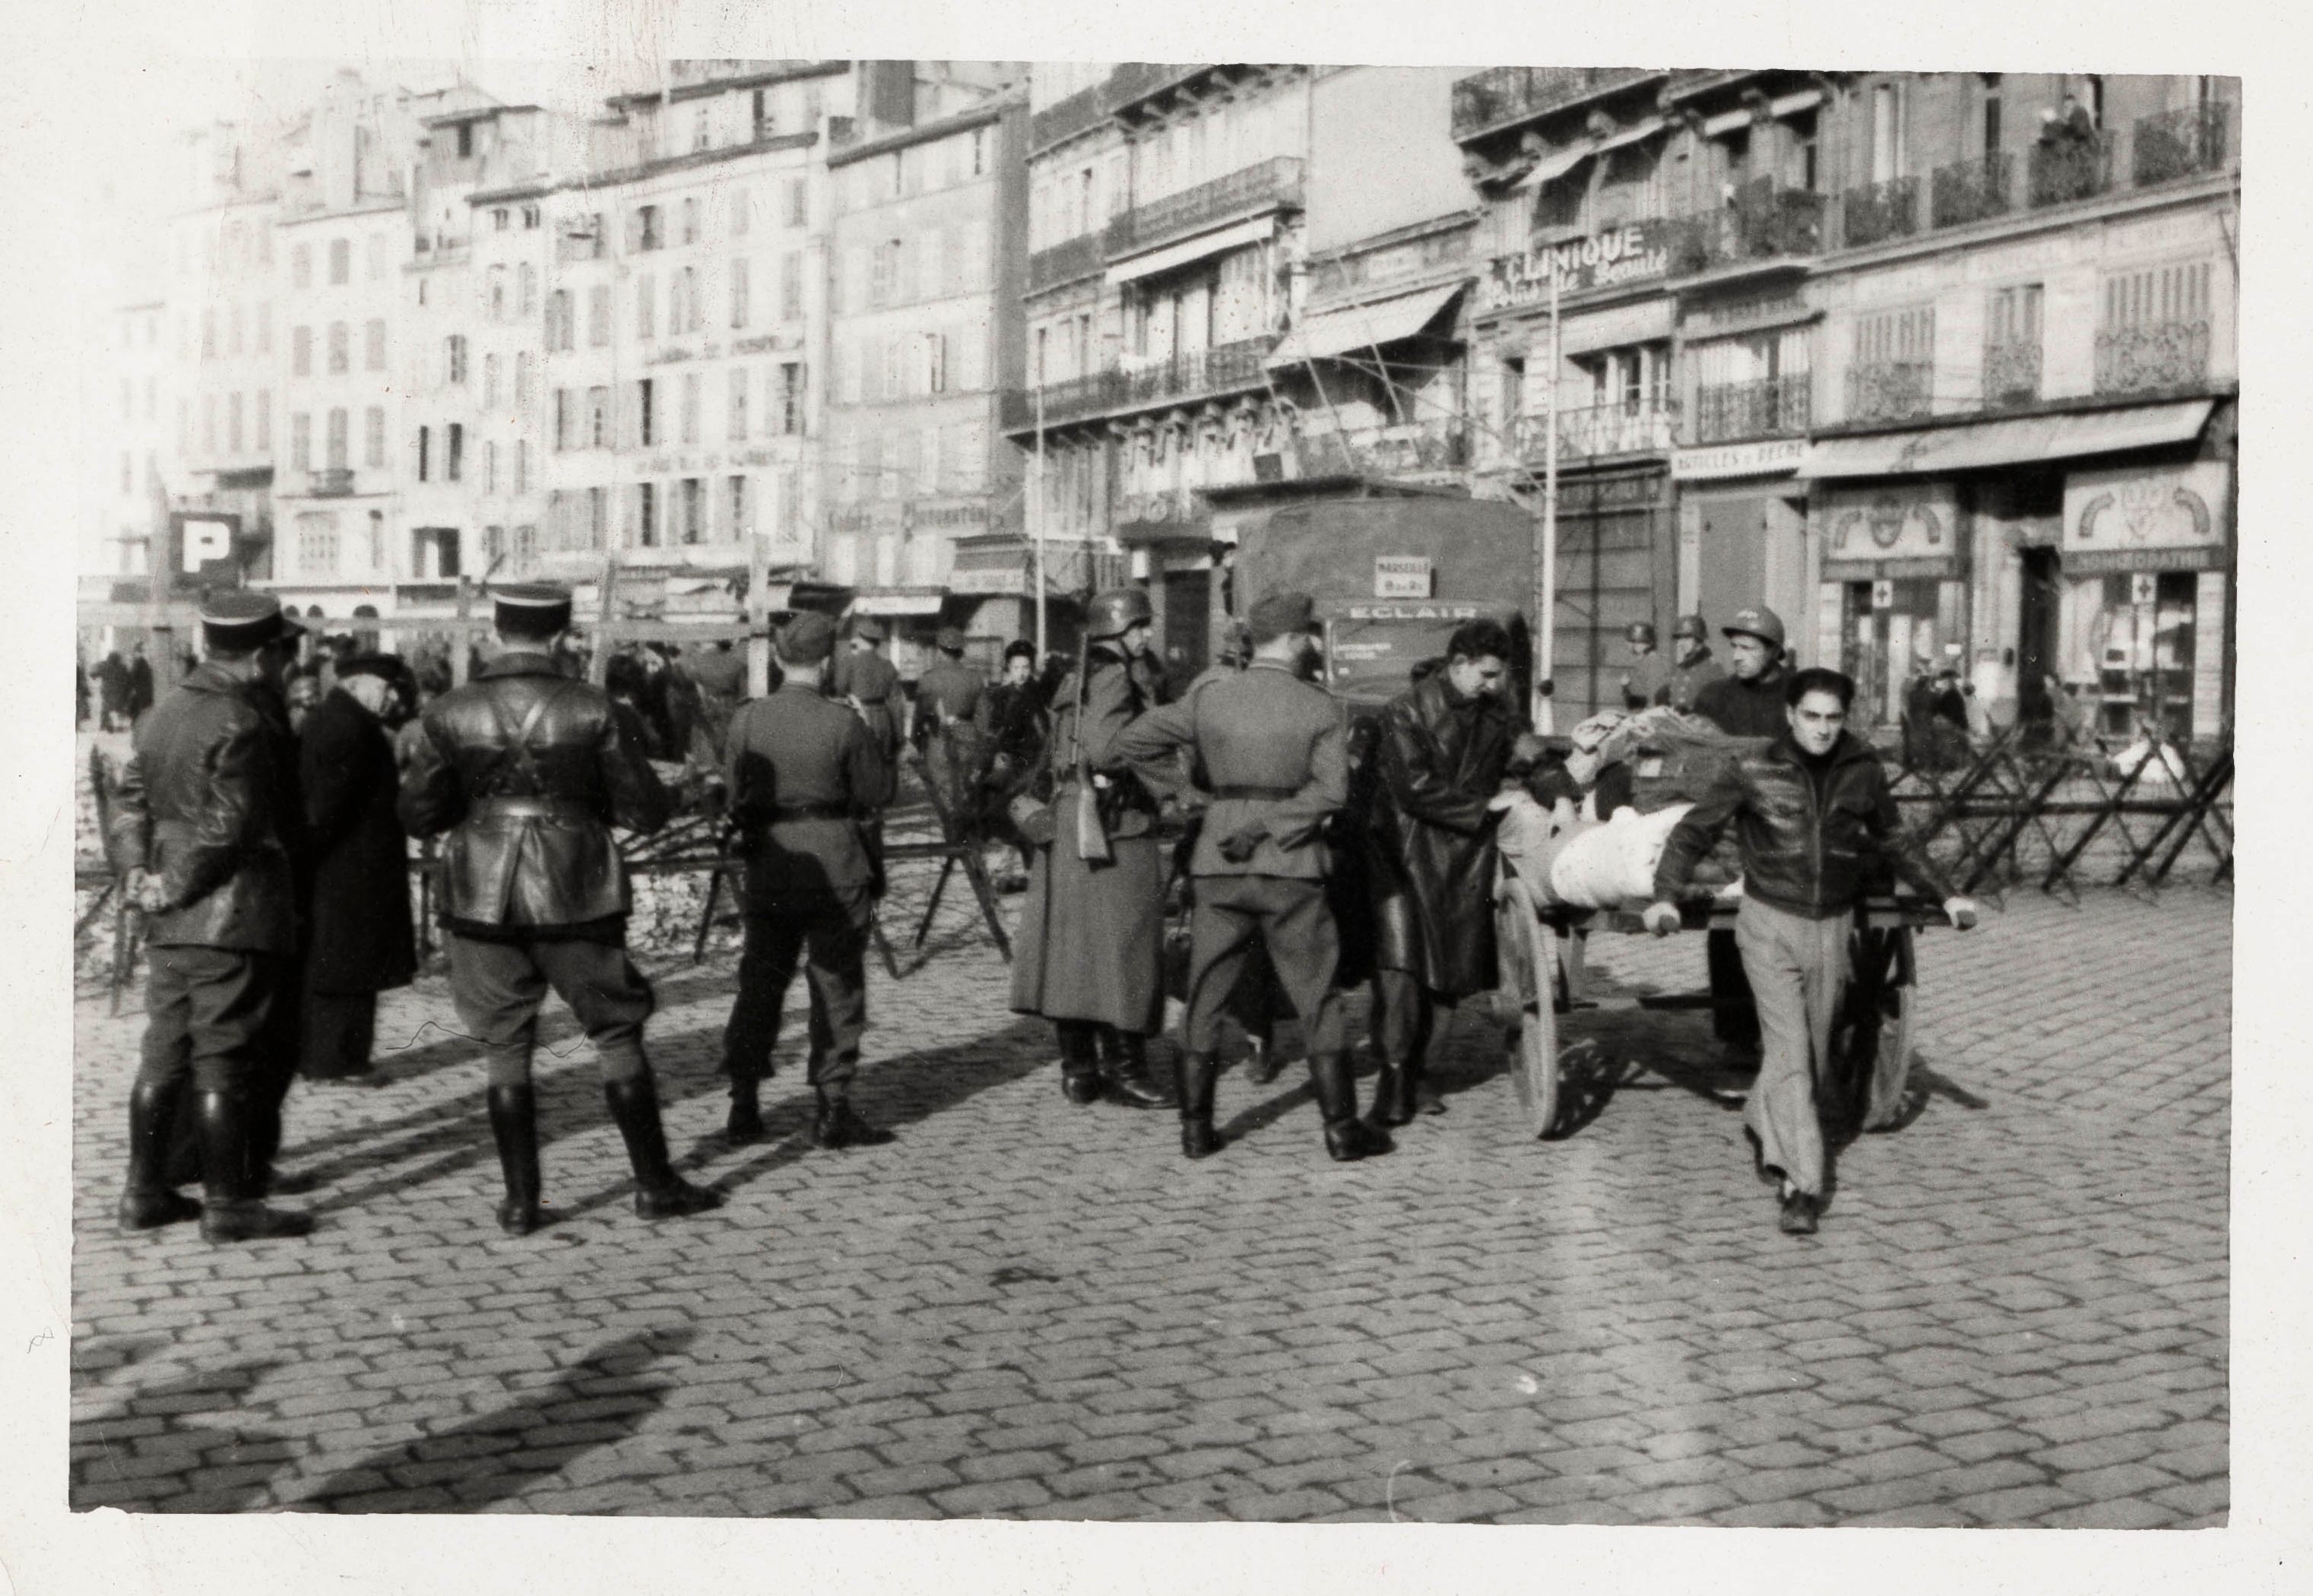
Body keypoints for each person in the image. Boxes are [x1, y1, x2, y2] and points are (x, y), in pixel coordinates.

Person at [398, 582, 720, 1233]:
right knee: (615, 1030)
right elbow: (643, 809)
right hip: (577, 885)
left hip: (479, 892)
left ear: (496, 628)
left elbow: (418, 812)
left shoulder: (450, 711)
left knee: (504, 1044)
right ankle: (655, 1185)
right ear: (561, 633)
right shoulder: (595, 707)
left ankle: (520, 1203)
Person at [1643, 667, 1979, 1235]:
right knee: (1792, 1050)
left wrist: (1947, 896)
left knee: (1814, 1057)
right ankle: (1801, 1185)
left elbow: (1894, 838)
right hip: (1768, 920)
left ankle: (1760, 1116)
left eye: (1833, 718)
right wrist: (1664, 896)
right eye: (1811, 717)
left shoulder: (1863, 771)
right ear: (1790, 716)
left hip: (1831, 926)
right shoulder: (1751, 768)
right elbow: (1692, 833)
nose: (1822, 730)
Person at [1116, 592, 1386, 1163]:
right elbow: (1331, 793)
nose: (1313, 644)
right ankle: (1340, 1130)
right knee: (1318, 994)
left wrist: (1187, 795)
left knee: (1206, 995)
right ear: (1291, 640)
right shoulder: (1318, 706)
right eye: (1308, 636)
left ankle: (1195, 1129)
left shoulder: (1211, 697)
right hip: (1291, 868)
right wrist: (1272, 823)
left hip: (1218, 861)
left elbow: (1130, 742)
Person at [106, 593, 314, 1243]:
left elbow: (128, 805)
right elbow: (230, 828)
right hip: (230, 911)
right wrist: (179, 885)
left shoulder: (161, 711)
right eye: (281, 653)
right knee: (225, 1054)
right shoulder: (241, 719)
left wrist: (141, 875)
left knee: (164, 1053)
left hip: (167, 917)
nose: (285, 664)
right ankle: (229, 1206)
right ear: (259, 656)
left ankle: (145, 1195)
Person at [1360, 617, 1555, 1128]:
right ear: (1458, 664)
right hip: (1403, 856)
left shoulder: (1497, 713)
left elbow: (1530, 757)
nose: (1494, 685)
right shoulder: (1404, 711)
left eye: (1499, 676)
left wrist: (1566, 794)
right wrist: (1486, 810)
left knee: (1447, 976)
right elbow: (1415, 788)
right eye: (1486, 674)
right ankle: (1393, 1080)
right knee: (1401, 973)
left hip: (1462, 860)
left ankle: (1421, 1072)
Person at [717, 612, 895, 1151]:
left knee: (760, 983)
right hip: (836, 866)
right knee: (837, 985)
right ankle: (833, 1107)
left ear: (777, 658)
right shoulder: (843, 722)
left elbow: (732, 797)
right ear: (827, 663)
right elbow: (878, 792)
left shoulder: (747, 720)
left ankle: (743, 1103)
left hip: (771, 866)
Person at [1008, 588, 1176, 1112]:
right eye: (1139, 628)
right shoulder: (1114, 675)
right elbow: (1105, 748)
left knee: (1073, 950)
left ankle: (1079, 1069)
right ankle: (1125, 1071)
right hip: (1110, 826)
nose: (1147, 636)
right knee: (1126, 945)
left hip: (1072, 819)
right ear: (1117, 633)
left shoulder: (1076, 675)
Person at [296, 654, 417, 1088]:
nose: (393, 697)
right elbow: (323, 808)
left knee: (353, 965)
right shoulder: (344, 727)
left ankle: (346, 1058)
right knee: (341, 967)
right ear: (358, 684)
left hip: (353, 870)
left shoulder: (348, 721)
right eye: (386, 688)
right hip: (345, 872)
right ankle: (331, 1061)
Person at [1691, 606, 1793, 1061]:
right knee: (1726, 926)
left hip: (1784, 821)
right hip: (1729, 824)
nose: (1738, 656)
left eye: (1749, 648)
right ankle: (1736, 1034)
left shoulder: (1797, 695)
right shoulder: (1715, 697)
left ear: (1774, 653)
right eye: (1734, 647)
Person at [828, 618, 904, 806]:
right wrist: (899, 736)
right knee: (881, 760)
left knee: (859, 762)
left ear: (861, 639)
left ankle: (861, 803)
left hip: (860, 715)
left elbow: (839, 689)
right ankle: (878, 803)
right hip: (883, 717)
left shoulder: (850, 662)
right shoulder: (888, 666)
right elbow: (896, 703)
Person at [1665, 615, 1726, 714]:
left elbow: (1718, 710)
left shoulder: (1713, 669)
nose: (1681, 643)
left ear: (1699, 640)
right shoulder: (1680, 668)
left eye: (1686, 638)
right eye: (1679, 639)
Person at [1619, 621, 1674, 711]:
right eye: (1633, 641)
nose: (1634, 645)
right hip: (1637, 711)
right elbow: (1633, 697)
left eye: (1639, 642)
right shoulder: (1640, 662)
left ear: (1650, 643)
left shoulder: (1654, 662)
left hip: (1650, 713)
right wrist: (1625, 687)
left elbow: (1654, 695)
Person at [96, 648, 129, 731]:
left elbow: (94, 673)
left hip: (106, 690)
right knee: (119, 708)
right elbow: (127, 678)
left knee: (105, 707)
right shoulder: (122, 667)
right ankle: (119, 726)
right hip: (119, 690)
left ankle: (104, 724)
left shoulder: (105, 666)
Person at [125, 641, 156, 726]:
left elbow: (133, 676)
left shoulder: (142, 662)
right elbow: (133, 676)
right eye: (147, 650)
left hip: (143, 691)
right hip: (143, 691)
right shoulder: (141, 662)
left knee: (142, 710)